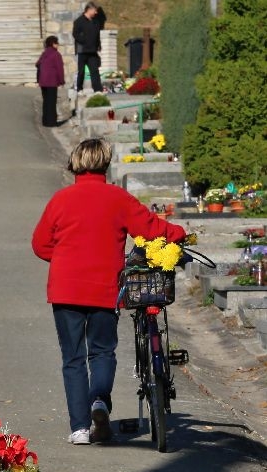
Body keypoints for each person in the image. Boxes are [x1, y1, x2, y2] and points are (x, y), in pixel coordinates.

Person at [31, 138, 187, 445]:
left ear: (74, 164)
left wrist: (64, 257)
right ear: (105, 163)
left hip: (65, 287)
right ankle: (99, 401)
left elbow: (40, 244)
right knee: (102, 351)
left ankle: (79, 429)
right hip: (105, 288)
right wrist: (180, 234)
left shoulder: (60, 200)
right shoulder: (118, 198)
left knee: (73, 357)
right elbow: (150, 229)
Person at [72, 3, 104, 93]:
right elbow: (75, 34)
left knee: (95, 71)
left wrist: (99, 45)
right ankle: (79, 89)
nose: (96, 12)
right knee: (81, 71)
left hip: (93, 51)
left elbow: (97, 35)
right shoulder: (79, 21)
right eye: (95, 10)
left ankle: (98, 90)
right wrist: (84, 40)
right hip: (82, 51)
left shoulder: (96, 22)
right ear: (89, 9)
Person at [36, 36, 66, 127]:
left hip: (43, 81)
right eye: (57, 43)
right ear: (53, 44)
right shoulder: (56, 54)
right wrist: (61, 81)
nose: (58, 45)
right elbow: (59, 69)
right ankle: (51, 122)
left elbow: (37, 64)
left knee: (46, 101)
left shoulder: (44, 53)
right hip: (51, 81)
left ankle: (45, 121)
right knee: (52, 102)